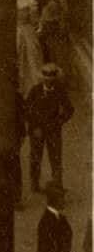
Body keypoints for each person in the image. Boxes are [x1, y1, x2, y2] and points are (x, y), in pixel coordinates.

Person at [24, 64, 73, 194]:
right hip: (37, 131)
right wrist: (35, 127)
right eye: (46, 77)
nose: (49, 80)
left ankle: (57, 185)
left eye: (52, 77)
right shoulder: (35, 91)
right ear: (42, 78)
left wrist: (58, 122)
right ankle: (34, 184)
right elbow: (27, 110)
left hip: (53, 131)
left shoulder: (60, 91)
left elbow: (69, 110)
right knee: (35, 158)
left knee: (56, 158)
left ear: (56, 78)